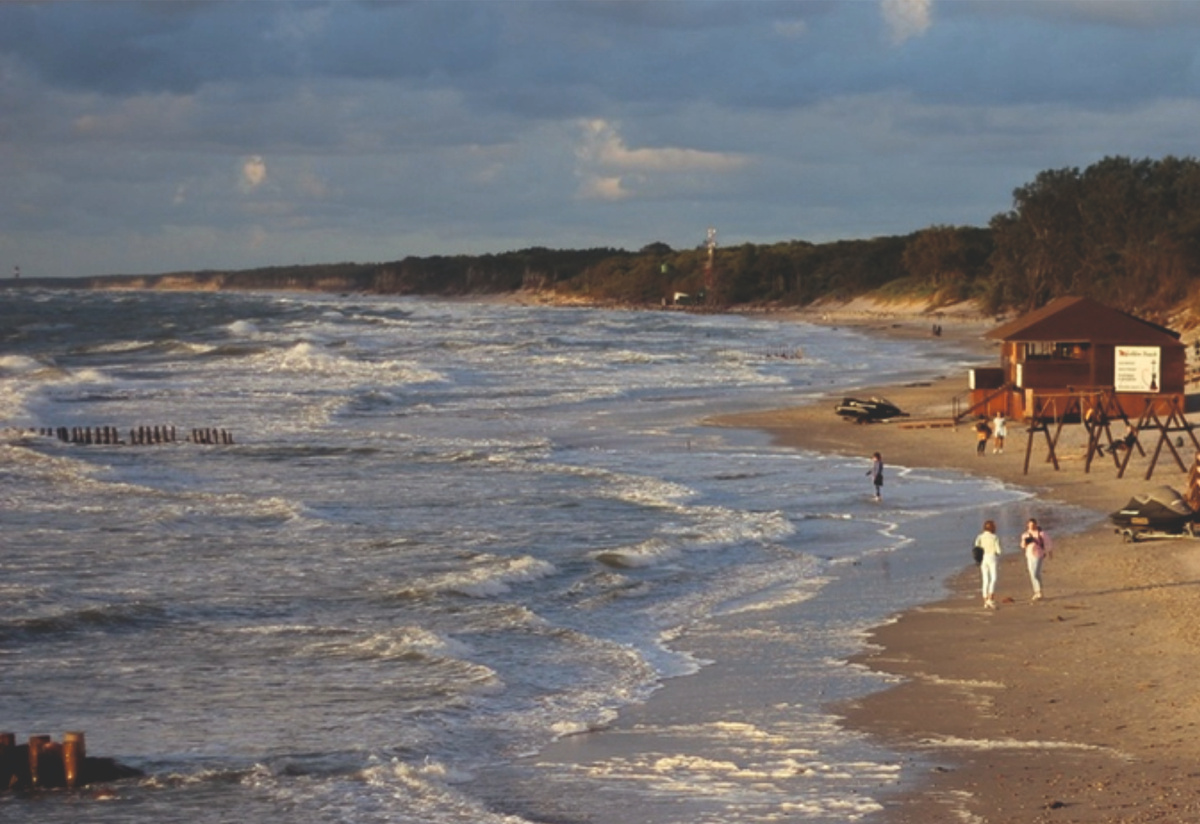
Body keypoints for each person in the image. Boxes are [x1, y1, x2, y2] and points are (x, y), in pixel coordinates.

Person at [1020, 518, 1051, 601]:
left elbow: (1048, 543)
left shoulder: (1041, 534)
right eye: (1030, 525)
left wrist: (1048, 552)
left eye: (1033, 525)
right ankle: (1037, 592)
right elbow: (1022, 546)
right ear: (1027, 525)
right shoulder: (1025, 535)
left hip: (1038, 554)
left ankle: (1039, 592)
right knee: (1032, 574)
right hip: (1029, 555)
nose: (1031, 526)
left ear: (1036, 525)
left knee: (1035, 573)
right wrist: (1026, 542)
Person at [974, 519, 1002, 609]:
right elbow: (999, 550)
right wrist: (998, 553)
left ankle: (985, 601)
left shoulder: (980, 537)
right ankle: (991, 598)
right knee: (993, 578)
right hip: (992, 556)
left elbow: (976, 547)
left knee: (985, 579)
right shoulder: (994, 537)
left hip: (983, 558)